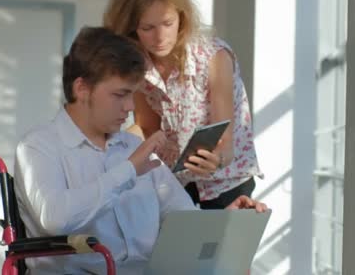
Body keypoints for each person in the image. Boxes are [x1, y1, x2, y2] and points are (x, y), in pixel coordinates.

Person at [13, 27, 266, 274]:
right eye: (120, 94)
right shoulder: (38, 147)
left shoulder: (134, 148)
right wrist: (129, 170)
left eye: (132, 94)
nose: (130, 106)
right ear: (82, 89)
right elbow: (55, 218)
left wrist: (226, 220)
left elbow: (184, 217)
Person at [103, 0, 263, 209]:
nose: (160, 37)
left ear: (182, 17)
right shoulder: (138, 66)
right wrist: (108, 151)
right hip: (176, 184)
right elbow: (147, 128)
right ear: (131, 28)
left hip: (227, 183)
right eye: (147, 28)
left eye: (167, 23)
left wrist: (216, 159)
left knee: (216, 246)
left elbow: (226, 143)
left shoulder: (214, 57)